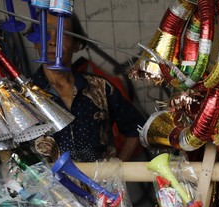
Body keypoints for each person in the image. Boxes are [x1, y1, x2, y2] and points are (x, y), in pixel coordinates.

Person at [29, 13, 146, 162]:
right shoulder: (23, 96)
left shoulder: (101, 88)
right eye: (44, 33)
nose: (53, 42)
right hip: (50, 185)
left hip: (100, 184)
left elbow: (138, 127)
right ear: (35, 42)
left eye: (63, 34)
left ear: (77, 43)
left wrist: (117, 170)